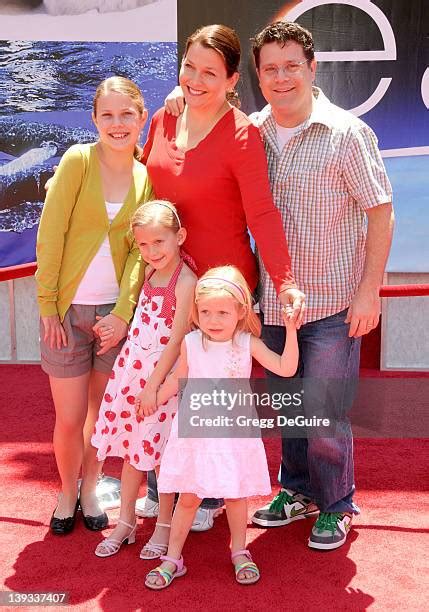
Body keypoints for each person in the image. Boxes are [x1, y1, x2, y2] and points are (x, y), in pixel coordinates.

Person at [165, 20, 394, 550]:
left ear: (313, 70)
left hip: (334, 301)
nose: (282, 77)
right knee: (291, 406)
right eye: (271, 69)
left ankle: (337, 504)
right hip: (271, 301)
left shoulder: (346, 133)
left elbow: (381, 214)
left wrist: (369, 291)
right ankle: (294, 491)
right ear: (257, 78)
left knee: (325, 412)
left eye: (292, 66)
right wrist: (183, 96)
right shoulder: (254, 128)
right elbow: (204, 111)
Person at [136, 22, 305, 531]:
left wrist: (285, 280)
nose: (195, 79)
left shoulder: (242, 134)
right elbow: (148, 199)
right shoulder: (164, 120)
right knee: (165, 385)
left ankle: (207, 497)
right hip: (166, 288)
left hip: (221, 298)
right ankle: (163, 487)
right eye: (189, 67)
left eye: (210, 73)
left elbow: (263, 215)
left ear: (233, 80)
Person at [36, 76, 153, 535]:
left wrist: (124, 313)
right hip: (67, 313)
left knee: (99, 416)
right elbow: (51, 234)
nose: (117, 124)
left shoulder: (145, 176)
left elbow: (140, 253)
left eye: (127, 114)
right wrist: (48, 305)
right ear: (94, 119)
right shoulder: (77, 161)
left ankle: (89, 490)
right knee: (69, 418)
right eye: (107, 114)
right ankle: (67, 492)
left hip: (112, 319)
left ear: (142, 118)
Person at [144, 265, 299, 589]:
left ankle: (240, 551)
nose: (213, 320)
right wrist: (154, 397)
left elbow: (286, 367)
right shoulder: (189, 342)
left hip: (232, 436)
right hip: (197, 433)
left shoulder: (247, 343)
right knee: (188, 498)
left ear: (241, 311)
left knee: (235, 496)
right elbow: (177, 379)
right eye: (206, 312)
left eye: (223, 312)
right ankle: (173, 557)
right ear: (195, 313)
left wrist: (291, 330)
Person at [91, 200, 196, 559]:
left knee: (161, 454)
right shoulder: (150, 275)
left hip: (161, 383)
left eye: (159, 242)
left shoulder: (186, 280)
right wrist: (131, 380)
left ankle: (164, 524)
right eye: (144, 245)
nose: (152, 252)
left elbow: (178, 339)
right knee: (131, 451)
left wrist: (154, 386)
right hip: (131, 375)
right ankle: (126, 522)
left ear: (179, 236)